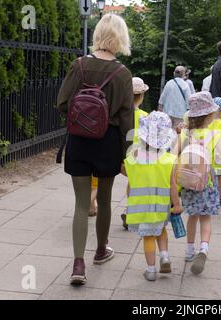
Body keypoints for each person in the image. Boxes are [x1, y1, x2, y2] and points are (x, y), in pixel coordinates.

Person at [57, 14, 134, 285]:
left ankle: (78, 265)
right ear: (121, 37)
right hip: (109, 142)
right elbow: (127, 119)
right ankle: (101, 251)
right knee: (104, 200)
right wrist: (129, 151)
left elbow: (62, 103)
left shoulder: (77, 66)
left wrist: (82, 120)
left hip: (79, 141)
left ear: (98, 34)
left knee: (80, 204)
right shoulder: (123, 74)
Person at [124, 111, 182, 281]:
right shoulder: (169, 159)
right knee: (161, 229)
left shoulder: (134, 157)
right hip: (161, 205)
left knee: (148, 236)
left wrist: (130, 202)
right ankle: (164, 256)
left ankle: (150, 270)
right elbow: (173, 185)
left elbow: (130, 183)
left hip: (141, 206)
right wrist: (176, 204)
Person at [180, 91, 221, 275]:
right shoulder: (214, 133)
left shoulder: (186, 133)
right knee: (205, 217)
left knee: (192, 215)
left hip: (188, 178)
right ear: (209, 115)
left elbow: (178, 155)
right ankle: (203, 248)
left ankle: (190, 250)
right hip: (208, 180)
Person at [120, 77, 150, 230]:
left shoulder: (122, 114)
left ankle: (129, 209)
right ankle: (132, 211)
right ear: (142, 96)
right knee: (139, 184)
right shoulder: (145, 116)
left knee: (132, 182)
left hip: (127, 155)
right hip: (142, 156)